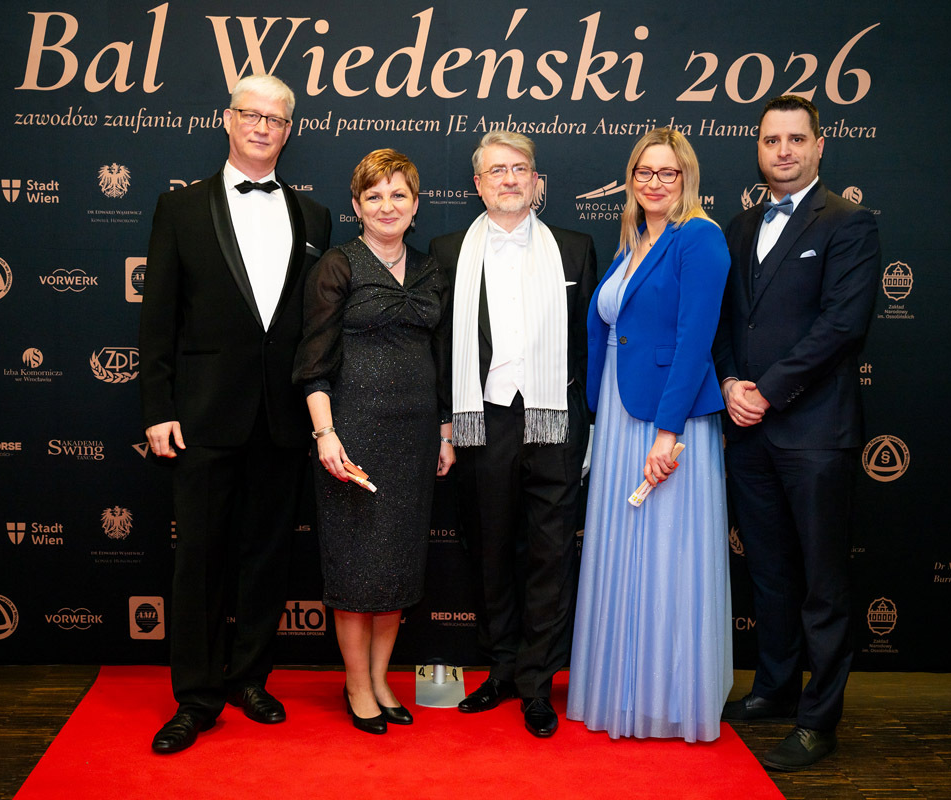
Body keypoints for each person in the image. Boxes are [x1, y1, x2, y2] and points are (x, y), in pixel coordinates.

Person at [138, 74, 331, 754]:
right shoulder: (181, 208)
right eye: (251, 114)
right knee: (198, 560)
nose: (262, 126)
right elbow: (157, 316)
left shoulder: (315, 216)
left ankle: (250, 677)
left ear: (289, 131)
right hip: (202, 415)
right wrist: (157, 407)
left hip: (282, 418)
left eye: (275, 119)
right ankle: (196, 698)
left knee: (266, 557)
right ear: (228, 119)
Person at [714, 94, 881, 770]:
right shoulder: (738, 226)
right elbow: (726, 323)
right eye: (770, 140)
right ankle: (775, 689)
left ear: (818, 146)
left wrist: (767, 391)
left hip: (813, 433)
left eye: (795, 139)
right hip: (748, 434)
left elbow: (842, 326)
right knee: (771, 575)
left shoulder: (848, 222)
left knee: (822, 584)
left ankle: (818, 720)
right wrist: (730, 383)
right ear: (758, 149)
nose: (782, 150)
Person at [567, 128, 732, 741]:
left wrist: (667, 431)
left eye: (667, 172)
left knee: (666, 556)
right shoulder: (634, 239)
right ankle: (620, 691)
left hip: (667, 416)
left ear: (686, 177)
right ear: (631, 178)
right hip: (617, 412)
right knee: (623, 552)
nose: (655, 183)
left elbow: (694, 341)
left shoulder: (699, 237)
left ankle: (667, 701)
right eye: (644, 171)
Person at [430, 131, 596, 738]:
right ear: (478, 184)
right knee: (490, 548)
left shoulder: (575, 248)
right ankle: (500, 668)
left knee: (551, 555)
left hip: (554, 418)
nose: (509, 179)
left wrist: (591, 423)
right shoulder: (447, 251)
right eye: (496, 170)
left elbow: (591, 345)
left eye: (519, 168)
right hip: (484, 419)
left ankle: (536, 683)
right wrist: (445, 422)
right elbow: (439, 347)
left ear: (536, 181)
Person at [293, 149, 453, 736]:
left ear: (415, 204)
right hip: (353, 433)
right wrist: (325, 434)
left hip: (415, 437)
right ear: (357, 206)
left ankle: (383, 679)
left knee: (397, 568)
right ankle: (357, 684)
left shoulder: (431, 268)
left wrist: (444, 431)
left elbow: (442, 357)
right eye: (374, 196)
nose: (388, 206)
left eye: (398, 195)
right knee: (357, 567)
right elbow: (313, 362)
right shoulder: (337, 265)